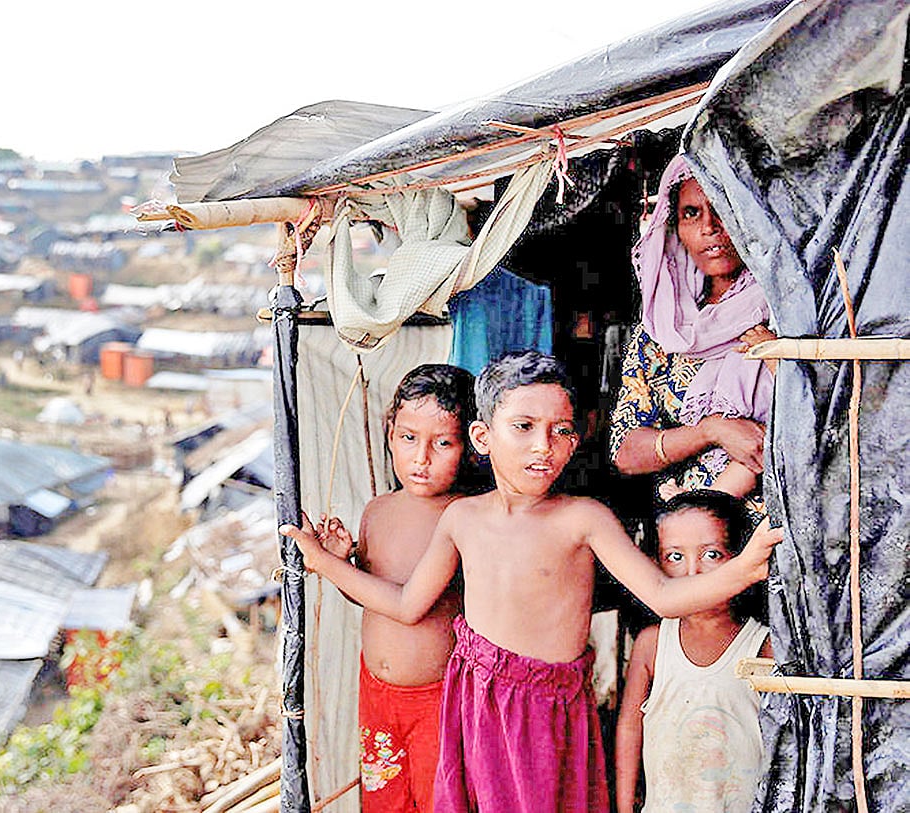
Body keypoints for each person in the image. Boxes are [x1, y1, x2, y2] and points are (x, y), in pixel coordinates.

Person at [282, 351, 781, 813]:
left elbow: (662, 594)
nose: (543, 446)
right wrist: (329, 564)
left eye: (560, 430)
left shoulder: (583, 519)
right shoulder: (461, 518)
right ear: (483, 438)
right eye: (523, 427)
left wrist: (742, 569)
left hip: (546, 711)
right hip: (474, 702)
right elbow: (409, 603)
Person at [313, 363, 477, 813]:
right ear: (389, 432)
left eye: (442, 443)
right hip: (378, 693)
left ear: (470, 445)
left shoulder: (464, 516)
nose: (421, 458)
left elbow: (410, 608)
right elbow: (371, 596)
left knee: (439, 801)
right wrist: (345, 561)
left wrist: (326, 565)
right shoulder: (377, 511)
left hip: (437, 697)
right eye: (408, 438)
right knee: (385, 802)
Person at [610, 154, 777, 505]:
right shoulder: (659, 331)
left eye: (723, 207)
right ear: (674, 228)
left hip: (783, 534)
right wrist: (711, 431)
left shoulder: (789, 309)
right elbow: (625, 452)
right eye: (691, 213)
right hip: (687, 539)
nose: (710, 227)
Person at [614, 490, 772, 813]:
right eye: (675, 557)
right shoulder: (653, 645)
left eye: (711, 555)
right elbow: (630, 727)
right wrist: (624, 804)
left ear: (740, 558)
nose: (691, 573)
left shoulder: (763, 645)